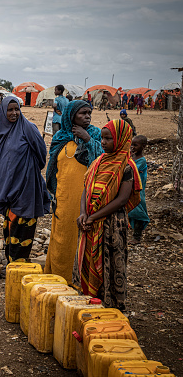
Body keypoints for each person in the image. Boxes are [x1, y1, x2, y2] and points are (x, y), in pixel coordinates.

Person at [74, 119, 142, 310]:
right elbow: (86, 190)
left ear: (121, 139)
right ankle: (90, 299)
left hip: (111, 224)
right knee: (88, 260)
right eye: (102, 138)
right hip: (89, 222)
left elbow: (121, 200)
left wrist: (93, 217)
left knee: (110, 264)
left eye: (108, 138)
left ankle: (110, 305)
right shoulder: (97, 162)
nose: (103, 142)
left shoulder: (126, 167)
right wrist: (82, 214)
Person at [45, 100, 103, 282]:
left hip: (87, 200)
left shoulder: (95, 135)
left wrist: (87, 139)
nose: (87, 117)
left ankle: (80, 281)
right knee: (62, 238)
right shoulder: (60, 137)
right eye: (82, 113)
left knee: (82, 239)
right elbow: (52, 169)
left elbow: (102, 161)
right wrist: (53, 194)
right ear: (71, 115)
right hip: (63, 198)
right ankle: (59, 278)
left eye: (89, 113)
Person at [0, 96, 51, 263]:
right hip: (9, 188)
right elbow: (2, 162)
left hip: (26, 187)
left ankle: (19, 265)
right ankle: (11, 263)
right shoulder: (2, 132)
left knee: (23, 226)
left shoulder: (28, 128)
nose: (14, 113)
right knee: (10, 226)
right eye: (10, 110)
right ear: (3, 111)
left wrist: (26, 170)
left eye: (16, 109)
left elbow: (41, 155)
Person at [128, 135, 149, 244]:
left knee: (138, 211)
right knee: (132, 209)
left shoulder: (141, 161)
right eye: (132, 145)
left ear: (143, 146)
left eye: (135, 145)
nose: (133, 147)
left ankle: (137, 237)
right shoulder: (133, 157)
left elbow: (131, 169)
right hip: (131, 189)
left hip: (138, 190)